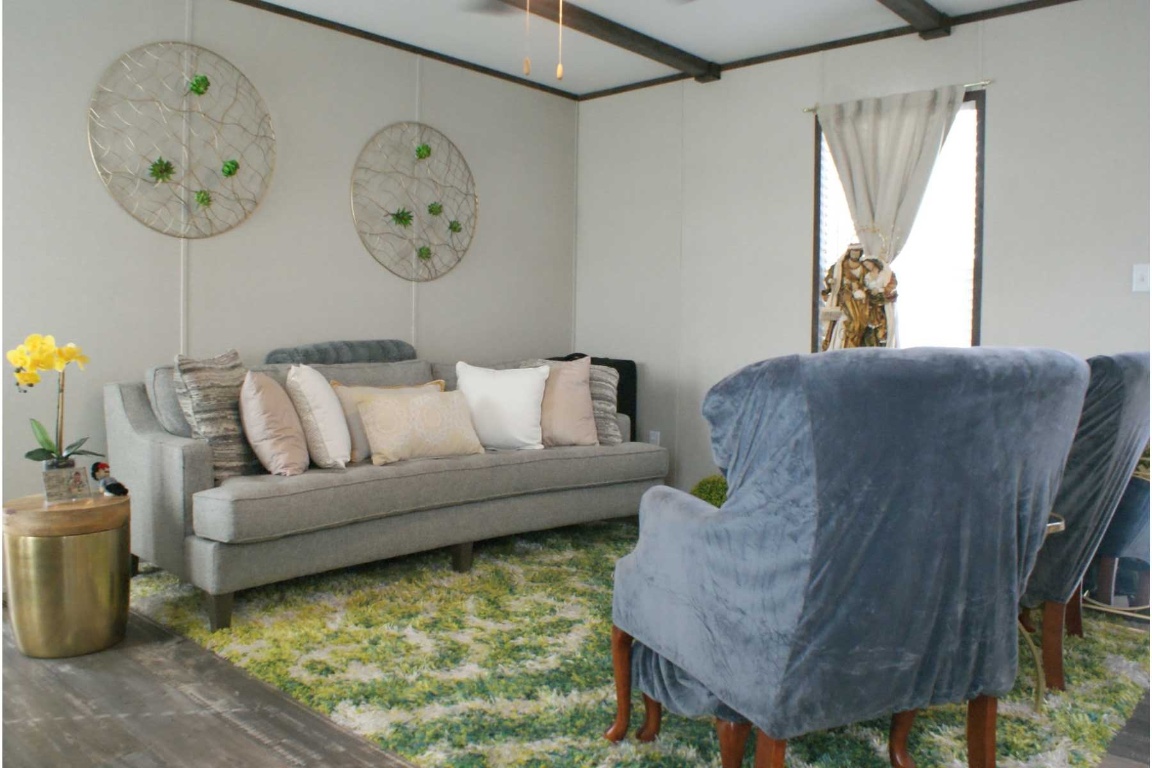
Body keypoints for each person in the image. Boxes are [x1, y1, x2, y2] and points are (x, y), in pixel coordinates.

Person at [820, 245, 898, 350]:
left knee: (863, 314)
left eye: (858, 251)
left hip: (862, 297)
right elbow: (832, 279)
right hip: (846, 296)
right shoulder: (841, 266)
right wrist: (829, 288)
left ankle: (859, 334)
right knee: (853, 316)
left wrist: (866, 291)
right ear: (849, 251)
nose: (855, 253)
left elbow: (869, 284)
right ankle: (852, 332)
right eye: (853, 251)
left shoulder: (864, 268)